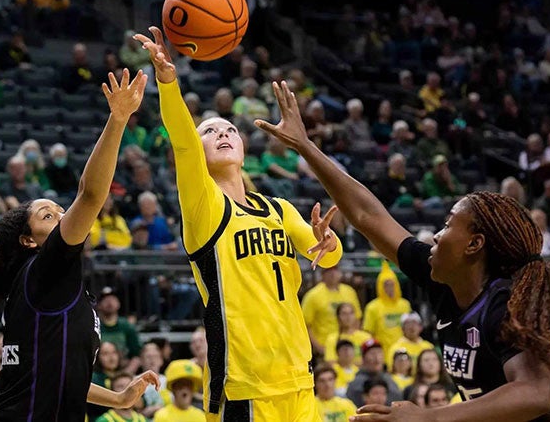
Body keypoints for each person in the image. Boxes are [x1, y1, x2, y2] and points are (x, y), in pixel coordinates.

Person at [254, 80, 550, 421]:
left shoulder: (504, 303)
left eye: (446, 227)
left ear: (474, 245)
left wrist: (428, 417)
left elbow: (535, 393)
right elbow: (367, 215)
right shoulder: (441, 279)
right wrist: (305, 146)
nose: (436, 237)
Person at [135, 27, 342, 420]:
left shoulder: (279, 209)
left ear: (244, 150)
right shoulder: (204, 206)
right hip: (243, 383)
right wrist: (167, 81)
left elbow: (327, 260)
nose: (223, 133)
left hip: (298, 377)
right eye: (210, 132)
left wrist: (329, 244)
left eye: (229, 129)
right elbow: (182, 140)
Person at [0, 69, 157, 422]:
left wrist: (118, 399)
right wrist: (118, 121)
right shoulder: (43, 270)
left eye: (59, 210)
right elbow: (90, 195)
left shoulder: (44, 287)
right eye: (47, 216)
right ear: (29, 240)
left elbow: (57, 372)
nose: (61, 216)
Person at [302, 266, 362, 356]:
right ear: (323, 274)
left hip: (348, 348)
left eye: (335, 270)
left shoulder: (349, 291)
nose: (333, 274)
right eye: (329, 271)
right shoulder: (312, 295)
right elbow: (306, 325)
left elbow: (357, 318)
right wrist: (318, 347)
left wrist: (354, 341)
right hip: (324, 346)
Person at [363, 262, 411, 351]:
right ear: (380, 286)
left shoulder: (405, 305)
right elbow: (368, 332)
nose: (390, 288)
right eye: (386, 285)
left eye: (392, 284)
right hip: (382, 353)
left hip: (403, 351)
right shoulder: (372, 307)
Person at [95, 287, 142, 374]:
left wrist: (125, 375)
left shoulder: (127, 326)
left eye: (112, 299)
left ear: (119, 303)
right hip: (99, 374)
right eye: (105, 300)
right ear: (99, 305)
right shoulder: (95, 326)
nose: (109, 302)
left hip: (124, 372)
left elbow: (137, 355)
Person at [346, 340, 402, 407]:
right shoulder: (356, 384)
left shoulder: (390, 380)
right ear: (363, 358)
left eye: (379, 353)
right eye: (372, 353)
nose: (377, 358)